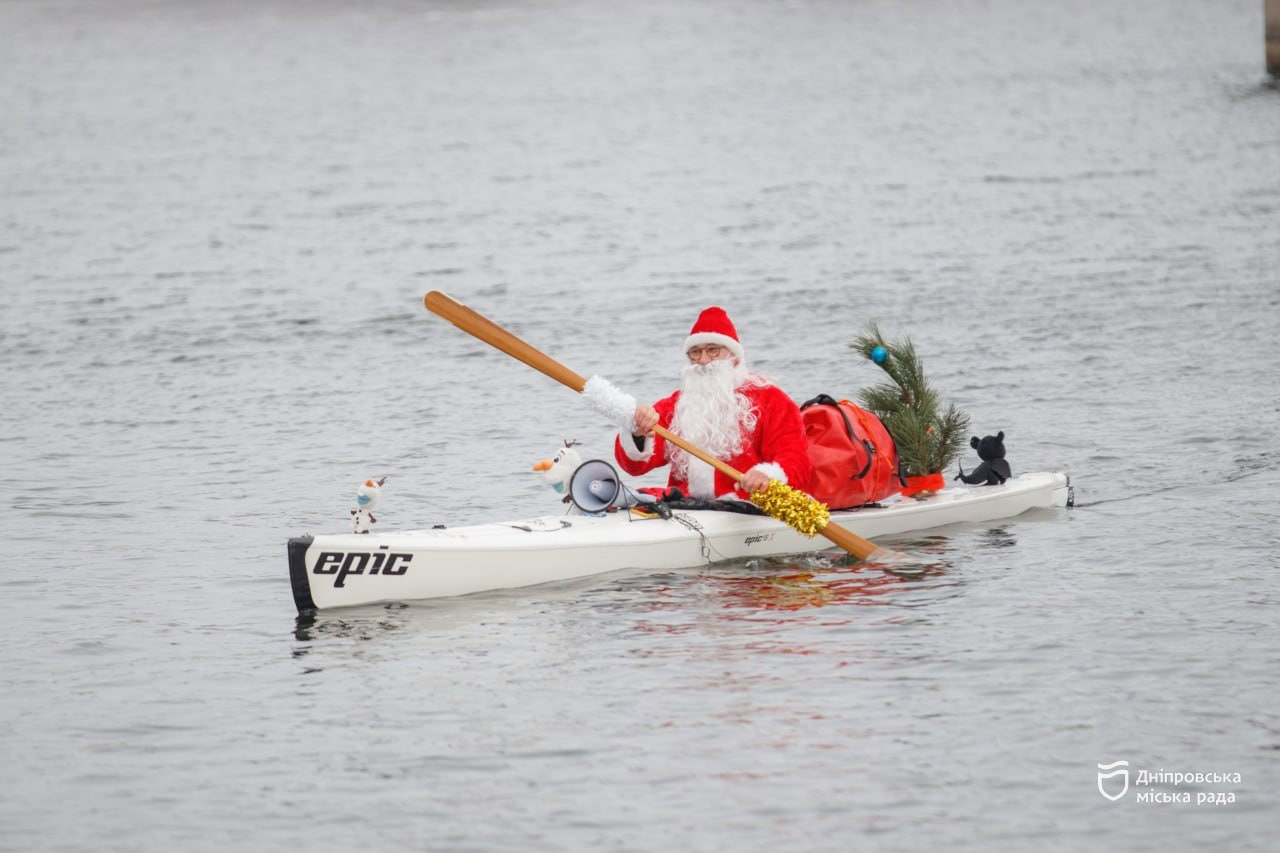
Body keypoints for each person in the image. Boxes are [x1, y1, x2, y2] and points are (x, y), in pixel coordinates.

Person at [610, 306, 811, 501]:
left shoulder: (772, 400)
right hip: (687, 506)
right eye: (695, 352)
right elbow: (635, 467)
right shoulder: (677, 404)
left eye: (713, 350)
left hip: (745, 506)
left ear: (733, 355)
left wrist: (767, 476)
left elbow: (796, 461)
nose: (704, 360)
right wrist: (637, 432)